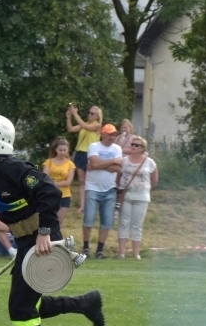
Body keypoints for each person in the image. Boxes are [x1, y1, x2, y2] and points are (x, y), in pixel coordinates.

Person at [0, 113, 105, 326]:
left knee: (21, 308)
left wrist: (44, 233)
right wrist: (8, 223)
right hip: (27, 241)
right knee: (27, 304)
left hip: (41, 241)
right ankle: (86, 303)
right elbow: (19, 205)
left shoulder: (12, 168)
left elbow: (49, 192)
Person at [83, 124, 122, 259]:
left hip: (110, 189)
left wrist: (99, 165)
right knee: (89, 219)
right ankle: (86, 247)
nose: (112, 137)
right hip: (92, 188)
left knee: (106, 222)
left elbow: (117, 168)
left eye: (114, 135)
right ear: (103, 134)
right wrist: (112, 161)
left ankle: (100, 250)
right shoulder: (94, 146)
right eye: (110, 134)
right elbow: (94, 163)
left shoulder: (117, 148)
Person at [117, 137, 159, 260]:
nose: (134, 146)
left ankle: (136, 253)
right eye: (133, 144)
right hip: (127, 195)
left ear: (143, 148)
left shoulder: (149, 162)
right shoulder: (124, 160)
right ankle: (121, 252)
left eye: (137, 145)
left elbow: (154, 180)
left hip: (142, 197)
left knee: (137, 224)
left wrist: (143, 187)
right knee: (124, 222)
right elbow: (119, 176)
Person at [66, 104, 102, 213]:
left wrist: (75, 113)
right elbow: (71, 129)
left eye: (92, 113)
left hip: (91, 154)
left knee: (91, 181)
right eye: (89, 113)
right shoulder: (84, 124)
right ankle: (82, 205)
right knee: (82, 181)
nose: (89, 115)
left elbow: (84, 126)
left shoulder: (97, 125)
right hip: (81, 152)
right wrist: (69, 117)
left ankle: (92, 204)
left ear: (97, 116)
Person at [42, 136, 76, 232]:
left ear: (68, 150)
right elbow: (45, 178)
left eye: (64, 150)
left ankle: (56, 241)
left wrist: (53, 184)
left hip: (64, 195)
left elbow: (68, 182)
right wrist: (53, 184)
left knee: (59, 221)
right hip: (50, 194)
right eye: (60, 150)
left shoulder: (70, 164)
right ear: (56, 150)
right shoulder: (48, 163)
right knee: (48, 220)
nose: (62, 152)